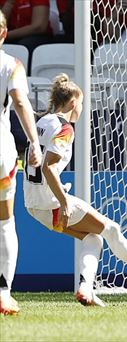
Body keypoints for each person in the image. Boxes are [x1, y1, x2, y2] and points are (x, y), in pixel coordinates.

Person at [23, 74, 127, 307]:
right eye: (81, 103)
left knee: (94, 238)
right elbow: (48, 166)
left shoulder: (42, 122)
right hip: (51, 202)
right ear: (72, 103)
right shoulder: (65, 128)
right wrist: (64, 202)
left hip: (33, 204)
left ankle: (85, 289)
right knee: (111, 229)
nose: (81, 108)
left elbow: (34, 162)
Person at [0, 10, 43, 316]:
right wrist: (34, 142)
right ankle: (3, 292)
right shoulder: (10, 65)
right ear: (3, 34)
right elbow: (20, 102)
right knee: (5, 221)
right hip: (1, 152)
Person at [0, 0, 54, 72]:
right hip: (9, 35)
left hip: (36, 37)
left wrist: (5, 35)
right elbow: (1, 24)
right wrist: (9, 3)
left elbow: (39, 26)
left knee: (27, 44)